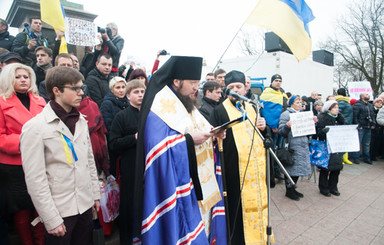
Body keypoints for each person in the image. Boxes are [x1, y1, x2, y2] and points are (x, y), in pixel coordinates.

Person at [133, 56, 224, 244]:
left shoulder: (186, 102)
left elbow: (200, 128)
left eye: (198, 83)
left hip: (193, 182)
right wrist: (189, 141)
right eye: (192, 83)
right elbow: (157, 150)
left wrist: (214, 135)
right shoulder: (159, 105)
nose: (195, 88)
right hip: (174, 186)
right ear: (176, 81)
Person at [20, 66, 100, 245]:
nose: (81, 93)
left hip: (85, 205)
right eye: (75, 88)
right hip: (60, 210)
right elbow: (35, 179)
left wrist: (94, 194)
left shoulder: (80, 120)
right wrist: (50, 218)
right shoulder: (35, 127)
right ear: (56, 90)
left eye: (82, 87)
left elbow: (89, 161)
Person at [210, 70, 272, 244]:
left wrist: (263, 128)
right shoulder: (220, 110)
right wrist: (217, 136)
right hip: (235, 170)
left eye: (239, 86)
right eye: (231, 87)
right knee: (237, 209)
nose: (236, 90)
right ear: (226, 90)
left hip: (257, 169)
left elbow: (265, 138)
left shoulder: (252, 107)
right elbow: (213, 139)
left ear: (245, 89)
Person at [0, 63, 46, 245]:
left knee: (40, 205)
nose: (23, 80)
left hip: (40, 160)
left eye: (26, 76)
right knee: (21, 209)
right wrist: (26, 140)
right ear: (8, 79)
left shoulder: (40, 101)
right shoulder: (2, 102)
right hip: (14, 164)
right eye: (18, 76)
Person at [108, 79, 145, 244]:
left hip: (149, 165)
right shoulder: (121, 116)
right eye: (136, 92)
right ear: (128, 95)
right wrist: (134, 138)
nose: (140, 95)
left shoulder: (151, 114)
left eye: (142, 91)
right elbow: (113, 143)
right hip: (130, 167)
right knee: (130, 204)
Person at [278, 95, 316, 201]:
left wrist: (313, 123)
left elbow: (309, 130)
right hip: (292, 145)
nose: (300, 104)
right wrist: (287, 126)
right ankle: (289, 191)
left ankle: (293, 188)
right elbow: (281, 131)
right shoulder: (286, 114)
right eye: (297, 102)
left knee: (298, 169)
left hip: (303, 145)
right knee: (291, 169)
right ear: (291, 103)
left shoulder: (302, 114)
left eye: (301, 102)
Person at [260, 74, 288, 181]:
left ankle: (277, 170)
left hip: (282, 126)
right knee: (271, 150)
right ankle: (270, 173)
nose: (278, 82)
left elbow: (284, 110)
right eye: (276, 80)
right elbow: (266, 112)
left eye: (280, 80)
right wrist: (273, 125)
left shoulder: (283, 94)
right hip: (272, 127)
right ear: (272, 82)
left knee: (280, 149)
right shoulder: (266, 94)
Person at [316, 100, 345, 197]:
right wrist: (323, 131)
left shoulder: (340, 119)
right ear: (329, 109)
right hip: (326, 146)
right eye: (335, 108)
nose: (337, 110)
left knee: (336, 168)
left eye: (337, 108)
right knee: (325, 168)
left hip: (338, 146)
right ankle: (323, 188)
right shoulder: (323, 118)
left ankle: (333, 187)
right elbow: (317, 133)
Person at [351, 92, 376, 164]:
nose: (368, 95)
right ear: (362, 97)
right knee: (358, 143)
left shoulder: (370, 105)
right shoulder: (358, 105)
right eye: (366, 95)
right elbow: (355, 116)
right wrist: (358, 125)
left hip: (369, 126)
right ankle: (356, 158)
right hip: (361, 127)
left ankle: (366, 158)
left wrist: (373, 123)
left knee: (366, 143)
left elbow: (372, 115)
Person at [335, 88, 353, 164]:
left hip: (347, 123)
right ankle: (341, 158)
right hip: (343, 124)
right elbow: (338, 113)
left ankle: (345, 158)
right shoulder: (341, 101)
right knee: (341, 142)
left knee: (345, 142)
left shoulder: (344, 101)